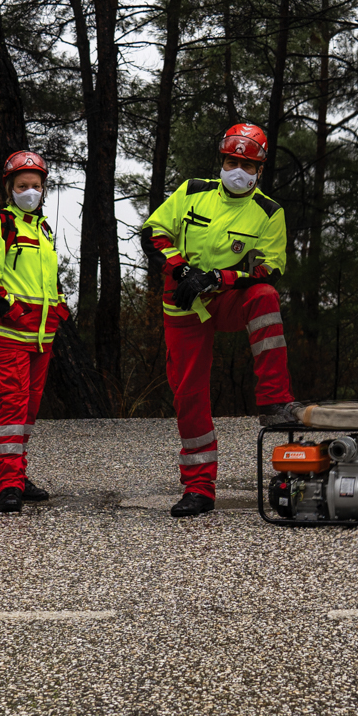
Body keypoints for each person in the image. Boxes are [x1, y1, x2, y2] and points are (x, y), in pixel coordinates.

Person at [141, 123, 303, 517]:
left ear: (260, 169)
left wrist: (220, 277)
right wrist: (181, 270)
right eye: (232, 161)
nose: (238, 170)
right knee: (188, 393)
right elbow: (153, 232)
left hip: (226, 297)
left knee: (264, 297)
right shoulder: (192, 190)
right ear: (222, 160)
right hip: (182, 302)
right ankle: (199, 488)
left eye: (247, 164)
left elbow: (270, 270)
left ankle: (274, 399)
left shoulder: (268, 211)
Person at [0, 150, 70, 512]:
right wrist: (13, 310)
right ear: (8, 188)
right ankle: (7, 485)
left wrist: (60, 307)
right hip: (8, 336)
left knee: (28, 411)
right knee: (12, 408)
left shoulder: (41, 228)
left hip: (41, 339)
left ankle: (18, 475)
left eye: (37, 186)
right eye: (23, 185)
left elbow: (44, 281)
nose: (31, 191)